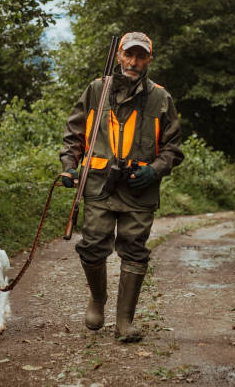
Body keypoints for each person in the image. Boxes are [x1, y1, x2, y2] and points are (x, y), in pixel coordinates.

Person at [60, 32, 184, 342]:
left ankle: (124, 322)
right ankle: (97, 301)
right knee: (92, 245)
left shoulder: (160, 97)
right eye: (129, 54)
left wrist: (154, 171)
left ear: (149, 60)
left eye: (141, 56)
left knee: (134, 249)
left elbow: (173, 148)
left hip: (140, 190)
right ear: (119, 55)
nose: (134, 62)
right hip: (99, 186)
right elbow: (74, 134)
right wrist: (68, 166)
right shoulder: (96, 90)